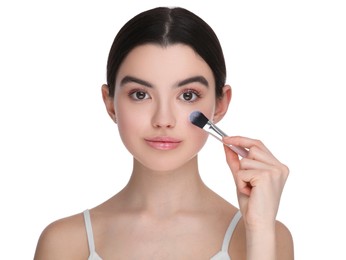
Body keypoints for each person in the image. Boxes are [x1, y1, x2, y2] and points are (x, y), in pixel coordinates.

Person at [34, 6, 293, 260]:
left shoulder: (268, 235)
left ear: (221, 104)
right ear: (110, 103)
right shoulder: (64, 243)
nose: (163, 119)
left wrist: (259, 231)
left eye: (188, 95)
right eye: (140, 94)